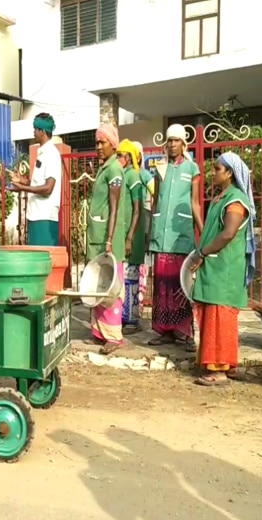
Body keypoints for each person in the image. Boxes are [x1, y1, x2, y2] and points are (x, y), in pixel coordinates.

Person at [189, 152, 255, 386]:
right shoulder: (221, 197)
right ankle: (219, 364)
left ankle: (220, 370)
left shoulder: (235, 201)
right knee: (212, 316)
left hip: (224, 269)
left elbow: (228, 233)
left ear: (229, 173)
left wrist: (202, 252)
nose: (213, 173)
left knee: (220, 318)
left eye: (217, 169)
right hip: (214, 268)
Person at [148, 124, 202, 352]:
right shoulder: (159, 168)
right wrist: (151, 229)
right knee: (162, 284)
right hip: (161, 234)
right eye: (169, 141)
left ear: (183, 144)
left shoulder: (193, 168)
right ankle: (164, 331)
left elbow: (195, 203)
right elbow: (155, 200)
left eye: (176, 141)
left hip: (181, 234)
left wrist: (204, 233)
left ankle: (185, 332)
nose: (171, 145)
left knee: (181, 285)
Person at [87, 124, 126, 354]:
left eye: (103, 143)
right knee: (99, 283)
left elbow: (114, 207)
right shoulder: (104, 168)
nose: (98, 147)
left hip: (107, 238)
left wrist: (110, 239)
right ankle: (100, 331)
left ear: (113, 144)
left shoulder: (115, 171)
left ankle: (114, 335)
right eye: (97, 143)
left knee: (112, 286)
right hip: (97, 236)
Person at [10, 113, 62, 246]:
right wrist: (22, 180)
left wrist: (23, 189)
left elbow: (48, 188)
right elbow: (38, 184)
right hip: (35, 216)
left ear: (43, 131)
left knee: (43, 260)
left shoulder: (51, 154)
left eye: (35, 129)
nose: (33, 132)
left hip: (45, 218)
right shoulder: (42, 153)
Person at [116, 139, 146, 334]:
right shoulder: (123, 175)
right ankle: (123, 317)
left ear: (127, 157)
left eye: (119, 155)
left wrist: (129, 237)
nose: (117, 158)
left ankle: (132, 320)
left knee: (131, 279)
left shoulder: (134, 175)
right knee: (123, 278)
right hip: (123, 234)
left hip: (132, 237)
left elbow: (137, 209)